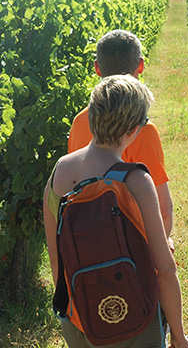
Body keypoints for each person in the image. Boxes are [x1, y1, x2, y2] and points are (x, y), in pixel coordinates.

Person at [44, 75, 188, 348]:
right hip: (135, 317)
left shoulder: (59, 172)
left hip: (81, 318)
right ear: (134, 129)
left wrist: (76, 316)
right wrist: (179, 335)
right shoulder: (135, 180)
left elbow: (57, 261)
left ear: (91, 118)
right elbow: (165, 269)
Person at [68, 29, 174, 249]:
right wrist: (161, 245)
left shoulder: (79, 122)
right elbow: (162, 208)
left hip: (88, 241)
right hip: (130, 246)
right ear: (141, 66)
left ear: (97, 68)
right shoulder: (142, 129)